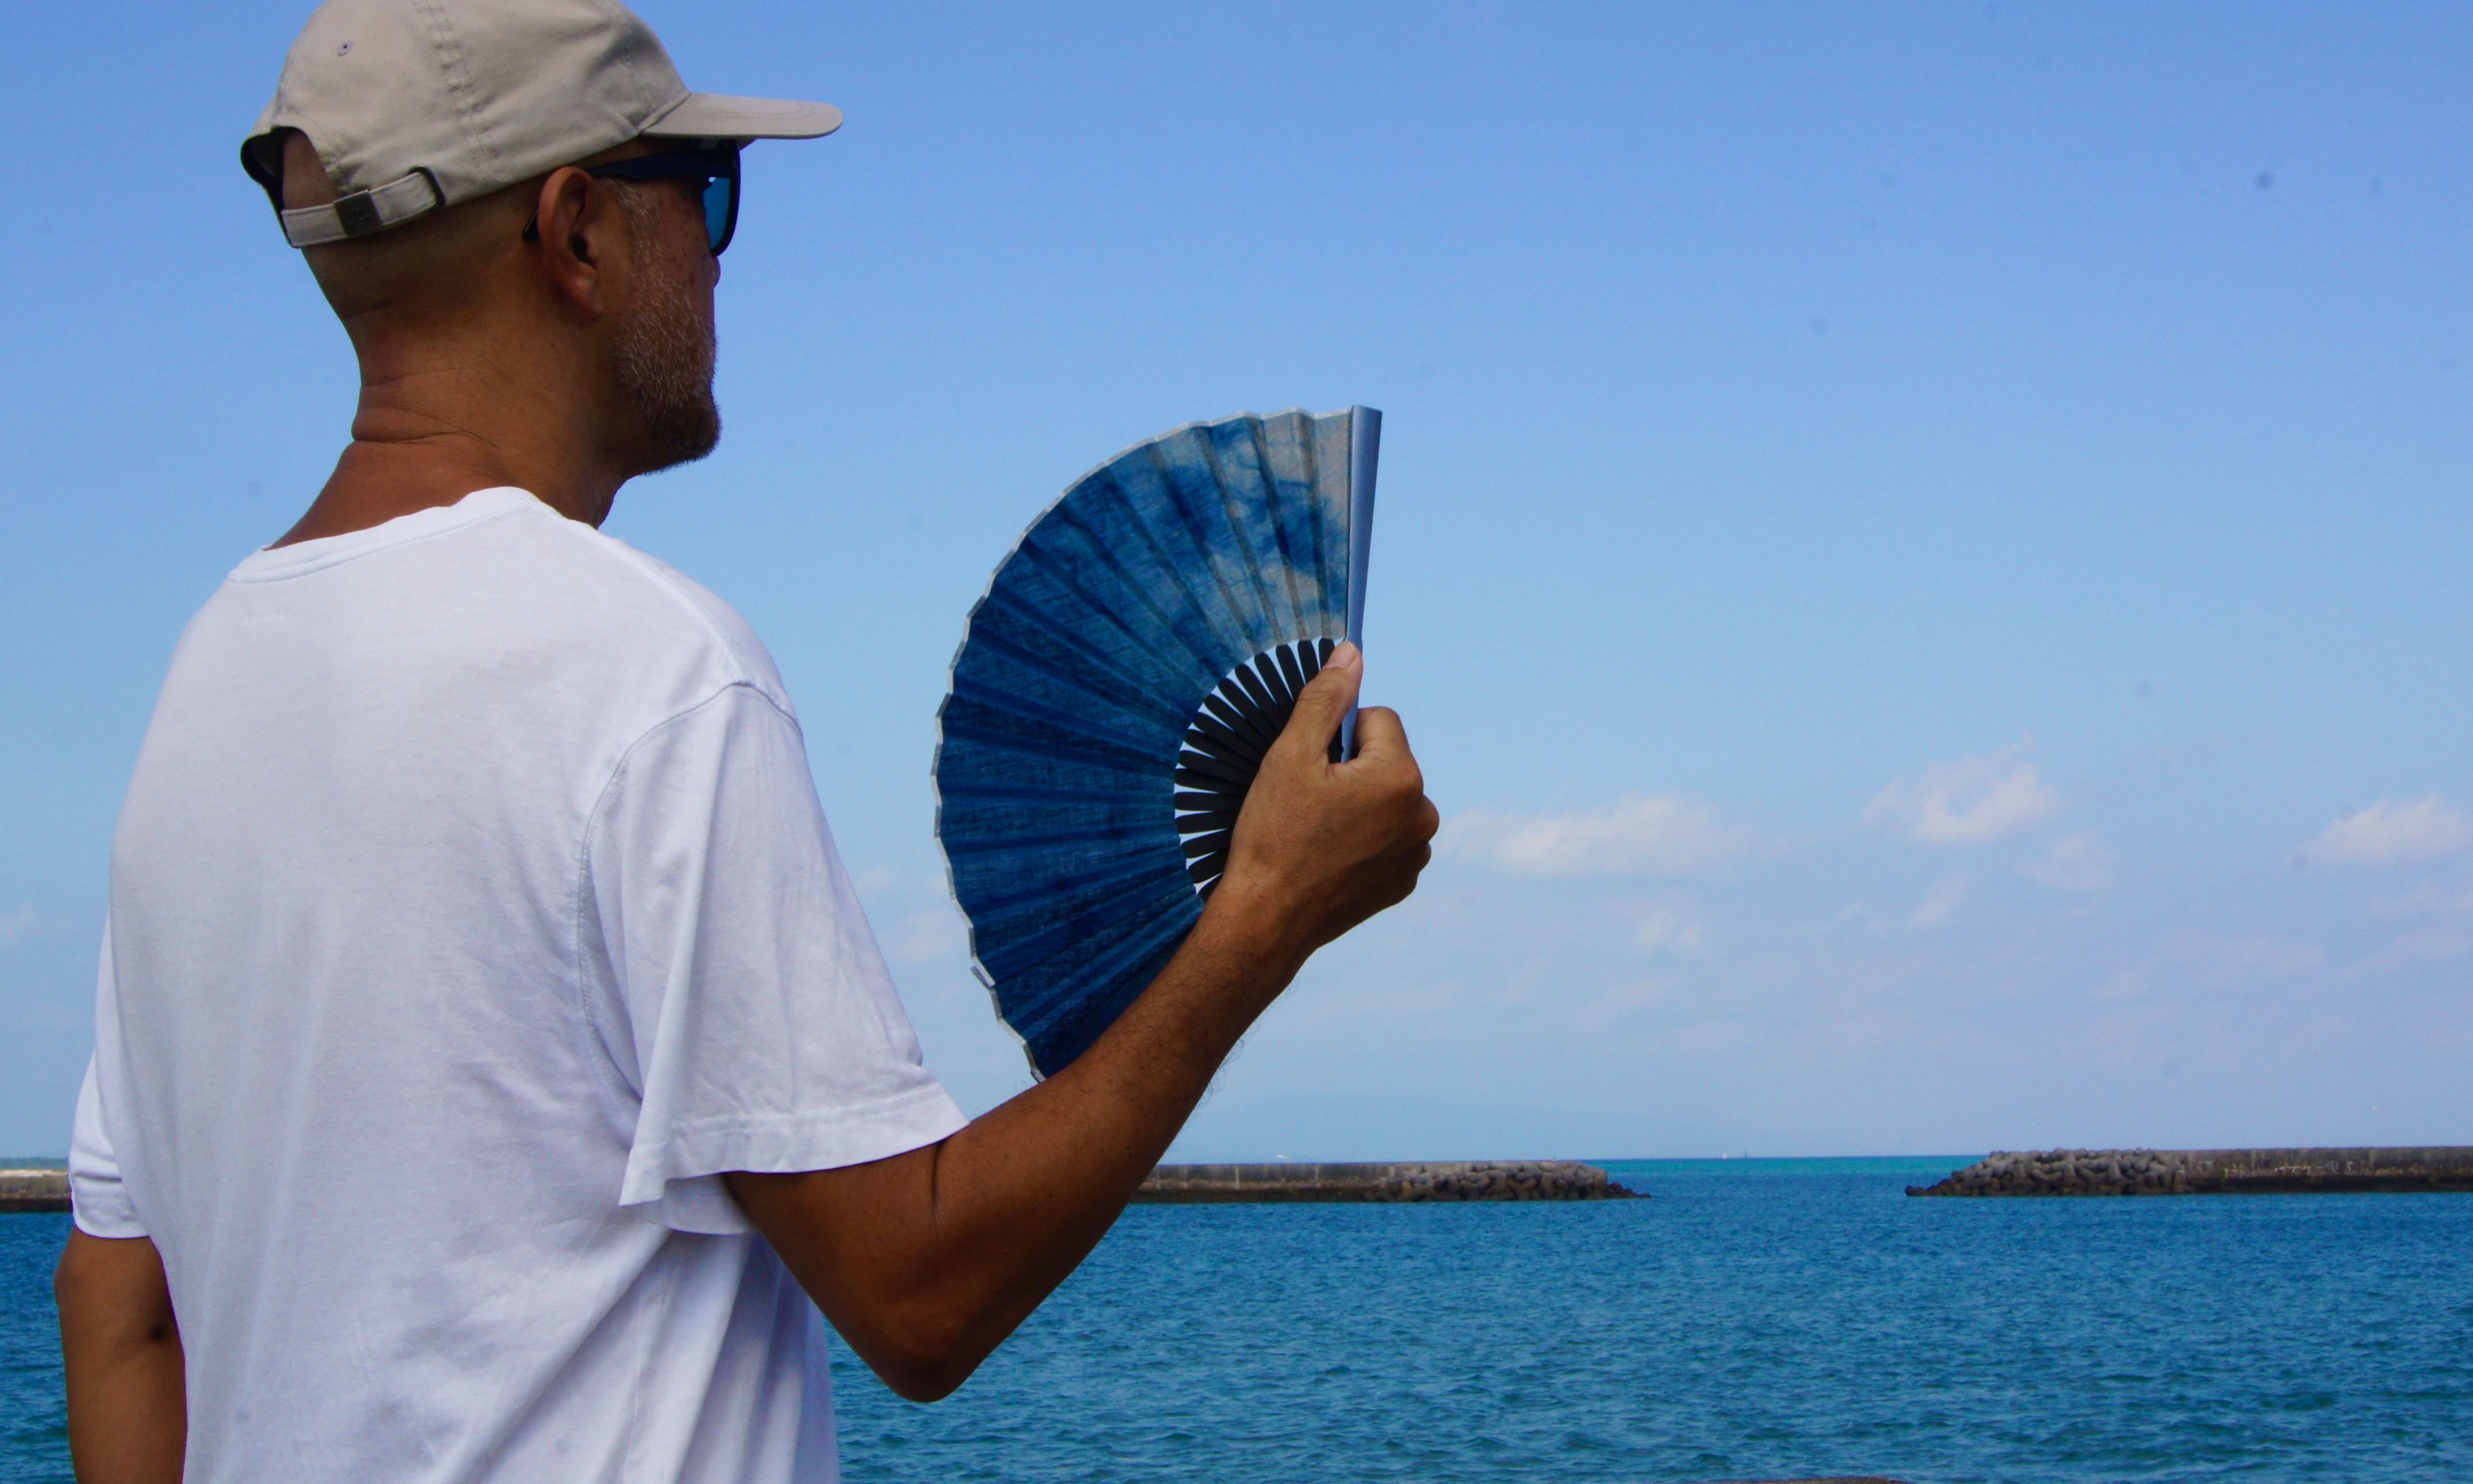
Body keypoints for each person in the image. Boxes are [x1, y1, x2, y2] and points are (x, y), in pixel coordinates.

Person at [49, 1, 1438, 1479]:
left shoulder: (210, 676)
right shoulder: (643, 667)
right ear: (577, 231)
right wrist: (1262, 917)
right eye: (702, 191)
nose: (716, 254)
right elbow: (918, 1290)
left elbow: (118, 1301)